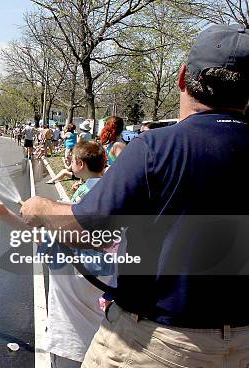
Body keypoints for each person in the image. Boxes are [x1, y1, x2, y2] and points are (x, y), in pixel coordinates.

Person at [20, 24, 249, 367]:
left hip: (158, 341)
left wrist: (41, 207)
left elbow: (90, 233)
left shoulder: (155, 148)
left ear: (183, 76)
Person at [0, 141, 110, 367]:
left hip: (71, 347)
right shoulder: (123, 253)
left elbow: (36, 234)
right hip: (110, 346)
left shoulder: (65, 257)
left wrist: (6, 215)